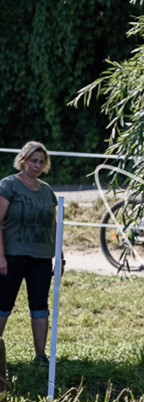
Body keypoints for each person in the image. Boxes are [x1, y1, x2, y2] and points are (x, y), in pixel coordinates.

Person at [0, 141, 59, 365]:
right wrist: (1, 257)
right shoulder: (9, 186)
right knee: (3, 304)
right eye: (33, 161)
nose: (37, 165)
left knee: (40, 305)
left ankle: (40, 356)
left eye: (41, 162)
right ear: (23, 161)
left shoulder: (47, 191)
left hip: (41, 258)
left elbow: (53, 226)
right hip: (12, 256)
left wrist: (59, 255)